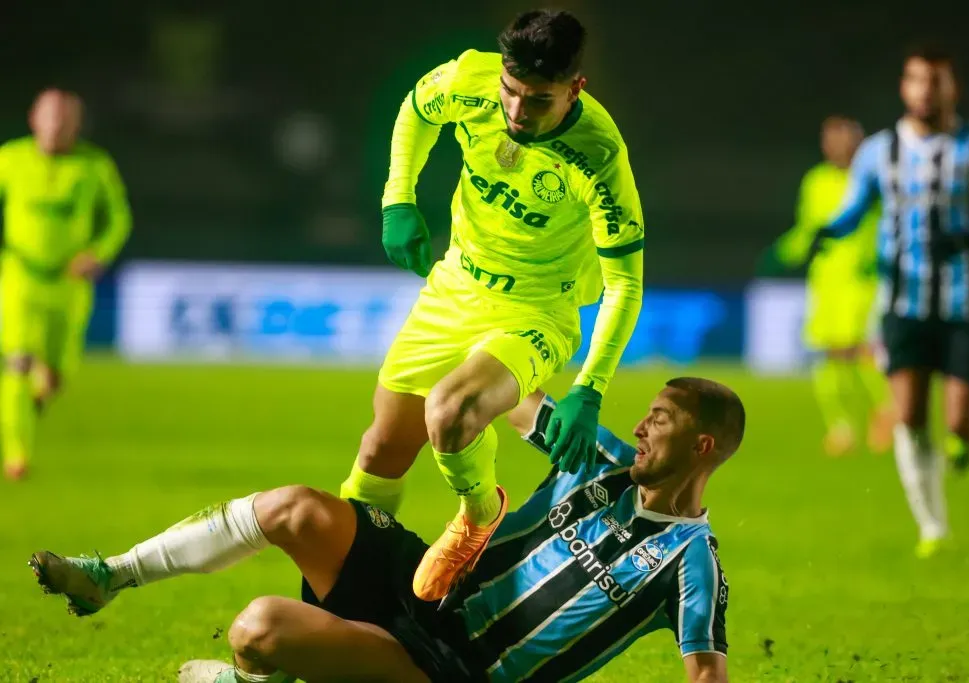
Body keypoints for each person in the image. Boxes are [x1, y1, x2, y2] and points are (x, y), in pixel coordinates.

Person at [30, 377, 740, 683]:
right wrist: (483, 389)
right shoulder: (598, 455)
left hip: (453, 668)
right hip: (423, 581)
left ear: (702, 446)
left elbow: (706, 672)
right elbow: (509, 398)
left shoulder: (690, 561)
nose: (642, 425)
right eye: (646, 414)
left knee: (257, 629)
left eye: (663, 420)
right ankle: (110, 575)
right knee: (294, 508)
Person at [339, 9, 645, 600]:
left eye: (537, 101)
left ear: (574, 88)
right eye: (510, 92)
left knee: (450, 411)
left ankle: (479, 514)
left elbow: (625, 283)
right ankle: (349, 590)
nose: (515, 112)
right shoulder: (470, 79)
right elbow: (415, 110)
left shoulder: (600, 156)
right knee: (380, 450)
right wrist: (397, 198)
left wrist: (590, 387)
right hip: (454, 287)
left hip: (537, 310)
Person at [818, 45, 969, 557]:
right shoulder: (879, 151)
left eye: (935, 81)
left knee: (959, 425)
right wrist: (829, 231)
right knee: (908, 415)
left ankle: (968, 441)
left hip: (966, 306)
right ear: (904, 88)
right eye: (916, 80)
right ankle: (932, 525)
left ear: (952, 89)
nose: (925, 91)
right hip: (902, 303)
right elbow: (855, 207)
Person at [0, 88, 132, 480]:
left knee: (56, 376)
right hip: (20, 275)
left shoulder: (95, 166)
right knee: (16, 363)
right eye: (50, 117)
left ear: (76, 124)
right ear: (34, 119)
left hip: (70, 284)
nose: (56, 126)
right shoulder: (10, 159)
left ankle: (35, 397)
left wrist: (99, 252)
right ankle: (17, 455)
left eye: (65, 119)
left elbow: (119, 218)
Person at [759, 116, 893, 456]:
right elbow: (808, 228)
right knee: (828, 355)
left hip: (863, 278)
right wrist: (783, 252)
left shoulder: (871, 179)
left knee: (860, 350)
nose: (836, 146)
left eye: (844, 139)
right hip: (826, 279)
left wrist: (880, 257)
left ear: (858, 141)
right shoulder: (816, 180)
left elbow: (885, 224)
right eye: (830, 139)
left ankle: (888, 412)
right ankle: (841, 427)